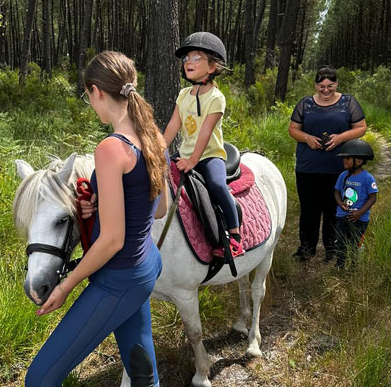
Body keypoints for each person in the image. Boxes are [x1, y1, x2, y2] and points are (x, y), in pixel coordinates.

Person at [25, 51, 169, 387]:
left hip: (118, 278)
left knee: (39, 379)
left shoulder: (109, 148)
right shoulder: (153, 138)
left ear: (96, 91)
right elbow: (159, 209)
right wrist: (102, 205)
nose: (90, 102)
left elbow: (112, 240)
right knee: (142, 372)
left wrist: (65, 285)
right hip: (147, 264)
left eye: (87, 95)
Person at [162, 31, 243, 256]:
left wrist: (193, 160)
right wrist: (158, 149)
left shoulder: (216, 98)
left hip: (208, 155)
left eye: (196, 58)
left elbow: (205, 133)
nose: (189, 62)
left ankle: (235, 235)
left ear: (212, 67)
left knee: (217, 185)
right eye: (186, 58)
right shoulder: (183, 94)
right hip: (185, 153)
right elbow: (172, 127)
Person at [288, 66, 367, 262]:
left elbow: (361, 128)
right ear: (315, 85)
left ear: (336, 84)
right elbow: (292, 129)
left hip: (339, 167)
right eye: (321, 86)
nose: (325, 90)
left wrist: (341, 138)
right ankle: (306, 249)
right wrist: (306, 138)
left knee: (335, 208)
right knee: (309, 210)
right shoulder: (305, 104)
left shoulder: (348, 103)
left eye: (330, 86)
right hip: (308, 167)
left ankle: (332, 249)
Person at [333, 139, 378, 268]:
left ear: (358, 161)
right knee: (340, 241)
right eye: (343, 158)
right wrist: (340, 203)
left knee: (354, 243)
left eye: (347, 158)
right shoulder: (343, 175)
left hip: (360, 219)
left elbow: (372, 198)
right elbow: (336, 191)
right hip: (342, 216)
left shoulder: (367, 178)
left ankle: (354, 267)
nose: (344, 161)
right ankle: (339, 265)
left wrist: (359, 212)